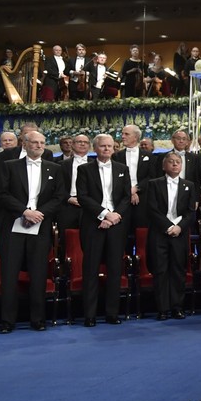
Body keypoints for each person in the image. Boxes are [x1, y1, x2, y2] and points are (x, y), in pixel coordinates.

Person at [0, 131, 66, 333]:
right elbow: (0, 193)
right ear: (24, 144)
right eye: (34, 142)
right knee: (9, 274)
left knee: (38, 273)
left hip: (41, 226)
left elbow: (59, 196)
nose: (39, 145)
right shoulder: (9, 166)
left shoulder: (55, 168)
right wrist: (24, 211)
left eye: (42, 143)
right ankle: (8, 321)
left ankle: (38, 319)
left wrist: (39, 213)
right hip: (13, 225)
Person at [76, 134, 132, 326]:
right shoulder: (84, 169)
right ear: (95, 148)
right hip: (93, 224)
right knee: (90, 269)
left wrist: (114, 216)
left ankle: (112, 313)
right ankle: (90, 315)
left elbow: (126, 198)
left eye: (110, 146)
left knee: (115, 270)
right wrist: (104, 214)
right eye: (103, 146)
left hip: (116, 224)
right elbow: (83, 197)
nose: (107, 149)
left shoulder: (123, 169)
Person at [146, 152, 197, 320]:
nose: (175, 164)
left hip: (179, 235)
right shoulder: (154, 184)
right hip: (159, 234)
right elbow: (152, 209)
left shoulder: (189, 185)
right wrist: (168, 226)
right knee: (160, 271)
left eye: (178, 162)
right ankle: (162, 309)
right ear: (164, 166)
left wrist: (179, 227)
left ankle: (177, 307)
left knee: (178, 270)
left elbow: (191, 212)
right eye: (171, 162)